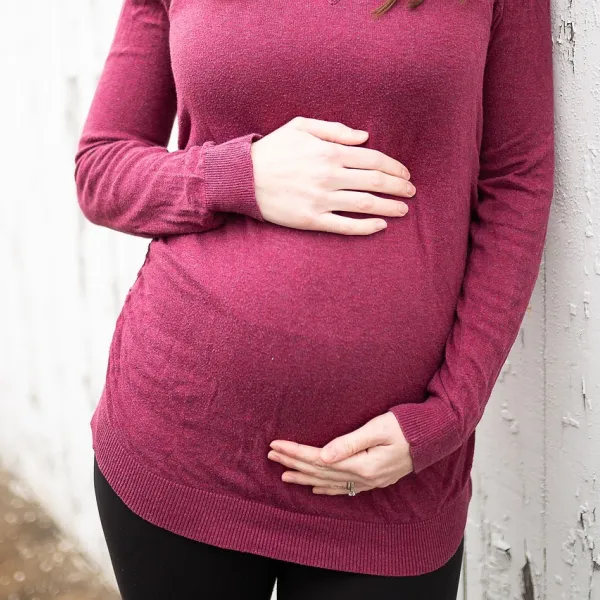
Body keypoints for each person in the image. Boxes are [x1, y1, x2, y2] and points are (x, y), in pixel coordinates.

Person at [74, 0, 555, 597]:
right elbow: (101, 168)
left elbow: (518, 180)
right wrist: (240, 175)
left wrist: (449, 415)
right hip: (182, 441)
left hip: (389, 481)